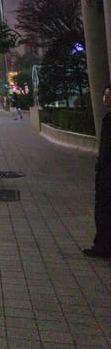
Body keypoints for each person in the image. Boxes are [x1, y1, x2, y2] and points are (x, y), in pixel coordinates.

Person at [83, 85, 111, 258]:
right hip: (104, 174)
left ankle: (103, 246)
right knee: (102, 211)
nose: (105, 98)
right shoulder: (107, 117)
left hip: (107, 175)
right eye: (105, 95)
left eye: (109, 96)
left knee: (104, 211)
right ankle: (101, 244)